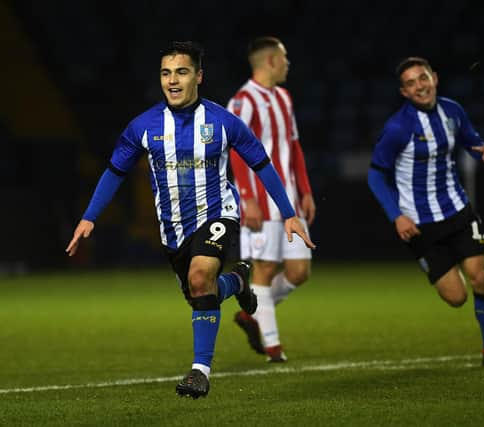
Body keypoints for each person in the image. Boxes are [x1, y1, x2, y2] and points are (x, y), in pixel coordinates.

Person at [66, 41, 316, 400]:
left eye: (181, 72)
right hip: (173, 228)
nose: (172, 80)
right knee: (203, 291)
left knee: (201, 278)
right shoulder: (143, 126)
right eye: (166, 73)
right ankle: (237, 282)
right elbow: (114, 171)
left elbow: (262, 163)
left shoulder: (223, 122)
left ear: (198, 76)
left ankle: (200, 371)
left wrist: (288, 213)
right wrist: (89, 217)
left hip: (218, 214)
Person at [367, 56, 484, 367]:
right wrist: (397, 216)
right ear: (404, 92)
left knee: (480, 278)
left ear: (435, 78)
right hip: (420, 225)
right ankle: (445, 267)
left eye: (423, 78)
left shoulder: (452, 110)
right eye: (411, 83)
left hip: (458, 211)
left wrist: (482, 146)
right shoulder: (398, 128)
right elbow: (375, 175)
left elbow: (469, 137)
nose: (420, 86)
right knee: (456, 297)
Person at [227, 36, 316, 363]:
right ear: (270, 61)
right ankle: (273, 349)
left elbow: (293, 147)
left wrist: (305, 191)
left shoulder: (284, 97)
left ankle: (253, 314)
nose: (288, 63)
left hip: (289, 201)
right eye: (284, 57)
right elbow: (235, 151)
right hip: (260, 202)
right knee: (263, 268)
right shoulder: (241, 101)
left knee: (299, 271)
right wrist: (247, 197)